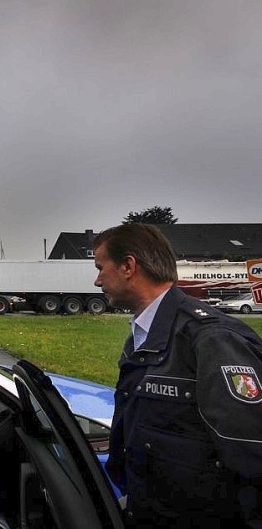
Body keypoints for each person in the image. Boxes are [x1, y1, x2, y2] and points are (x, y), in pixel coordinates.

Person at [93, 223, 262, 528]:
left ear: (129, 266)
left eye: (100, 267)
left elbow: (250, 453)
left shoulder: (211, 338)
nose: (97, 280)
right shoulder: (143, 335)